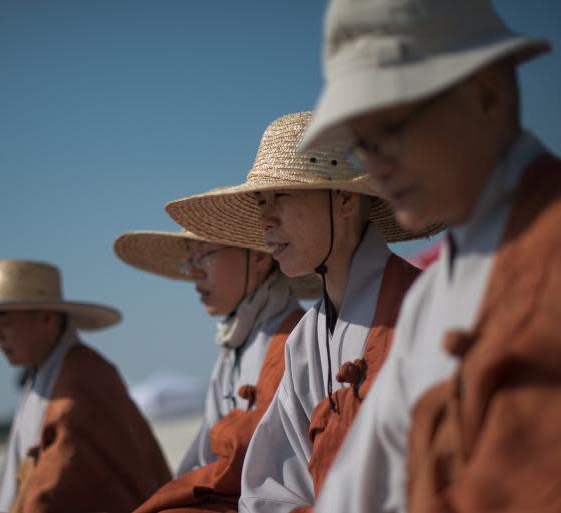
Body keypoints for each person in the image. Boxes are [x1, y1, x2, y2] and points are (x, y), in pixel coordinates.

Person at [299, 1, 561, 512]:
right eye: (363, 145)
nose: (376, 166)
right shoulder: (436, 289)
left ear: (486, 94)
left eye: (392, 127)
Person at [166, 111, 440, 512]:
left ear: (344, 199)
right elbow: (270, 488)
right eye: (261, 202)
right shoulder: (306, 339)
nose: (265, 220)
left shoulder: (422, 309)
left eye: (282, 196)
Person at [0, 259, 171, 513]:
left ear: (46, 318)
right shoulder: (48, 375)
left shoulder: (79, 384)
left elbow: (54, 489)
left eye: (6, 324)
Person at [113, 227, 310, 512]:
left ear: (257, 257)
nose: (193, 273)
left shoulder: (292, 339)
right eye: (188, 262)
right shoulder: (233, 348)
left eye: (204, 257)